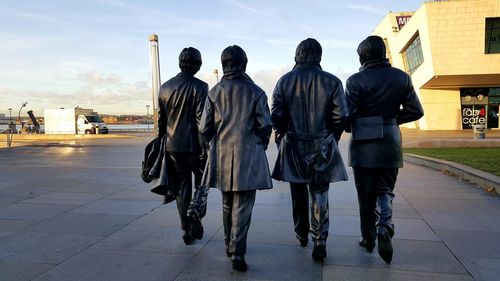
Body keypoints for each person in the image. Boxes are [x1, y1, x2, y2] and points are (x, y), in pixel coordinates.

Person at [345, 35, 424, 264]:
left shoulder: (355, 81)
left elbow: (347, 115)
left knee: (365, 195)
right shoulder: (402, 78)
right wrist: (390, 120)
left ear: (363, 55)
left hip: (363, 143)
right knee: (385, 189)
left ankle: (368, 238)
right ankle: (384, 226)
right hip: (390, 140)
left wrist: (349, 125)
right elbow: (416, 111)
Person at [271, 38, 348, 262]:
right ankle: (320, 239)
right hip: (322, 142)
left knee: (297, 191)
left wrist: (283, 132)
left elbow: (276, 114)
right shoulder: (332, 81)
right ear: (319, 56)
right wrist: (332, 136)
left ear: (298, 55)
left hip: (293, 143)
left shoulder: (284, 81)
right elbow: (341, 115)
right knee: (320, 192)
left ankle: (301, 232)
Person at [199, 45, 273, 271]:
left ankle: (228, 245)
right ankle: (237, 251)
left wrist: (207, 145)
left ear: (224, 65)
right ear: (244, 64)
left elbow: (204, 128)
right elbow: (265, 125)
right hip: (248, 155)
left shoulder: (214, 92)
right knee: (243, 204)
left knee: (226, 202)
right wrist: (263, 140)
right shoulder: (257, 92)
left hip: (221, 154)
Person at [158, 47, 208, 245]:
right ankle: (194, 215)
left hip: (173, 146)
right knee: (202, 184)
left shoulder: (164, 87)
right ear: (197, 64)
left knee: (182, 187)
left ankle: (186, 229)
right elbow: (201, 121)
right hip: (195, 146)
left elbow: (162, 122)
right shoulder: (200, 86)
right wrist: (206, 144)